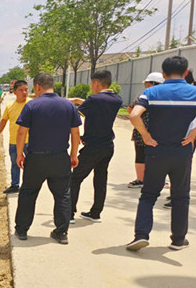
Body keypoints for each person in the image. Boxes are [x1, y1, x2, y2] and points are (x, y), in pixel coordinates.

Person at [127, 56, 196, 251]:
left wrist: (146, 136)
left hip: (156, 151)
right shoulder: (194, 92)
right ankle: (178, 239)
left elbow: (133, 115)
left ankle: (141, 235)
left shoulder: (152, 92)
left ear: (163, 74)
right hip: (182, 152)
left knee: (148, 194)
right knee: (181, 196)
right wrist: (193, 134)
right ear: (186, 72)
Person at [14, 73, 82, 244]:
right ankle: (61, 232)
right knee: (63, 195)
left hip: (36, 158)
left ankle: (22, 230)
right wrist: (73, 154)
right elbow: (75, 133)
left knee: (28, 193)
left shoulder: (32, 106)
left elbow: (22, 132)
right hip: (60, 158)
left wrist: (19, 153)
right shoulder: (69, 106)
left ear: (37, 87)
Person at [67, 71, 122, 223]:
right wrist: (79, 100)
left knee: (75, 178)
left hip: (93, 147)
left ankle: (69, 213)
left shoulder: (94, 99)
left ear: (96, 83)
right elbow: (99, 107)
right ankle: (96, 213)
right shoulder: (117, 99)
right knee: (100, 179)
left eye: (92, 84)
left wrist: (68, 104)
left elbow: (75, 114)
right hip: (107, 146)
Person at [0, 80, 31, 193]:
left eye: (26, 89)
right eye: (21, 90)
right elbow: (3, 122)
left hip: (29, 141)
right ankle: (15, 185)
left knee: (30, 165)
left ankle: (28, 186)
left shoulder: (31, 104)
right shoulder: (10, 107)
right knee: (15, 164)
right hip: (14, 141)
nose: (24, 92)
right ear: (14, 92)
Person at [126, 73, 164, 188]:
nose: (146, 87)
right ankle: (157, 179)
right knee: (158, 156)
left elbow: (130, 110)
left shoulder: (145, 96)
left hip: (142, 130)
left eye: (147, 84)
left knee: (141, 155)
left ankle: (141, 179)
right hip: (159, 132)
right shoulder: (166, 97)